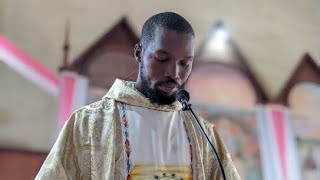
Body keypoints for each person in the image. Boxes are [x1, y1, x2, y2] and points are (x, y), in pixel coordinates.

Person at [36, 12, 240, 180]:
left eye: (185, 63)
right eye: (162, 58)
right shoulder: (88, 124)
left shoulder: (205, 135)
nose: (174, 73)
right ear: (139, 53)